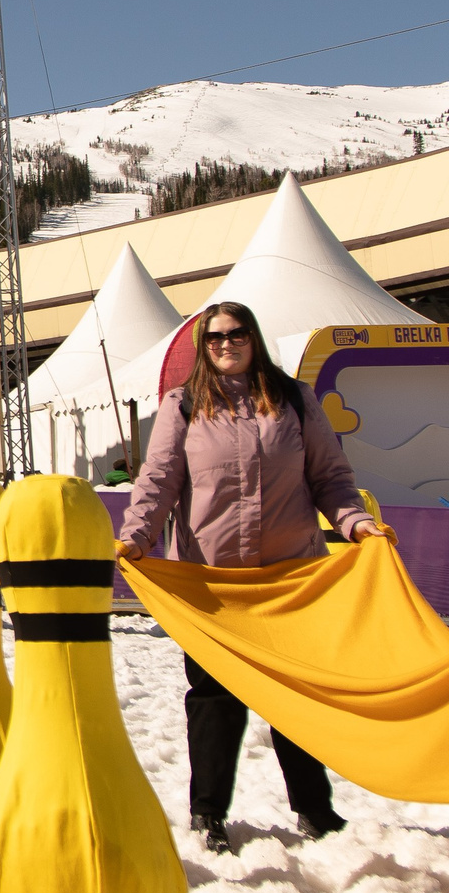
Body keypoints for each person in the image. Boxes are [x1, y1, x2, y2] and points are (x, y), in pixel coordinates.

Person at [115, 301, 384, 854]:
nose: (226, 345)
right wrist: (137, 536)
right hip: (213, 586)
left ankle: (314, 809)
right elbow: (159, 479)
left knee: (296, 696)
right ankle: (208, 812)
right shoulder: (183, 405)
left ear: (254, 339)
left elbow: (331, 477)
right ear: (203, 349)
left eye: (236, 335)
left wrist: (355, 523)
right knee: (214, 699)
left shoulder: (293, 399)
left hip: (289, 579)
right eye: (214, 339)